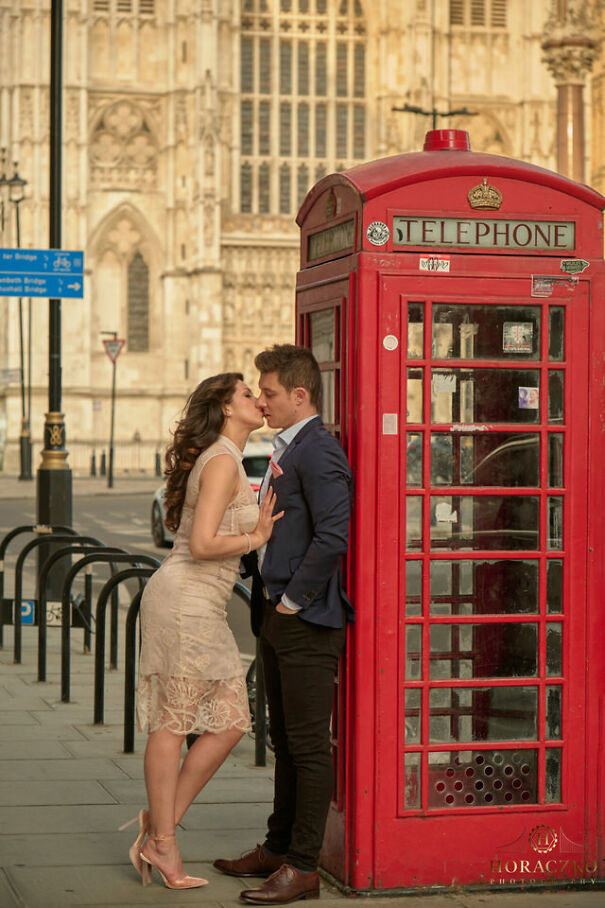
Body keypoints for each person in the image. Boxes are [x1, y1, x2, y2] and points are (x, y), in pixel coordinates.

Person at [122, 372, 283, 890]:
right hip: (184, 602)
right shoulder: (220, 461)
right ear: (225, 408)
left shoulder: (226, 456)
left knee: (231, 720)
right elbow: (202, 544)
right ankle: (163, 841)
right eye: (247, 394)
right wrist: (257, 535)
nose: (258, 400)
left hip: (199, 603)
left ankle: (159, 827)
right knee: (172, 725)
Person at [214, 345, 353, 904]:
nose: (263, 401)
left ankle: (303, 867)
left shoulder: (319, 451)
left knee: (309, 745)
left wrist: (294, 600)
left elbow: (333, 536)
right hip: (273, 613)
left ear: (300, 395)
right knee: (284, 741)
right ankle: (277, 847)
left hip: (306, 620)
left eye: (269, 392)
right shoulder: (287, 447)